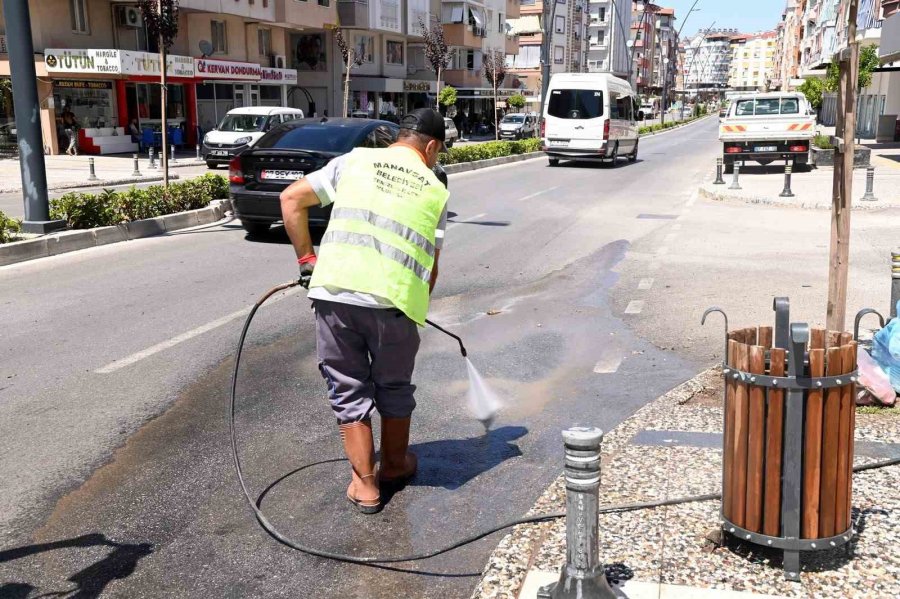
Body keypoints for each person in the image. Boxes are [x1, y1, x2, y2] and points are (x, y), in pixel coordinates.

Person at [279, 108, 449, 514]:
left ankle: (365, 485)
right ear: (430, 146)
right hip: (394, 303)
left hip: (337, 293)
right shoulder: (435, 188)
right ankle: (393, 465)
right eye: (439, 152)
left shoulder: (354, 161)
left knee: (347, 387)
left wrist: (307, 260)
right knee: (394, 385)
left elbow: (290, 199)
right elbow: (431, 267)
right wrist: (413, 310)